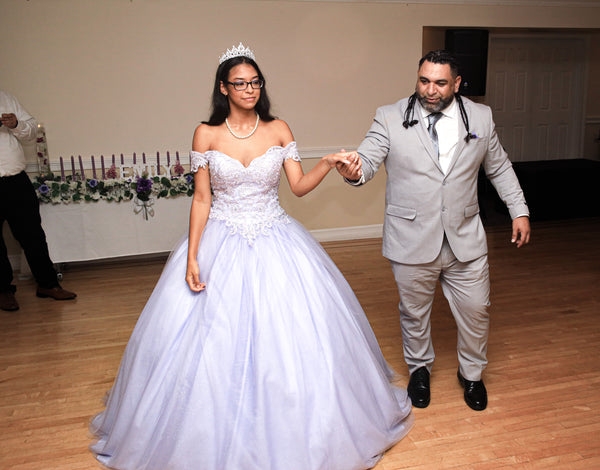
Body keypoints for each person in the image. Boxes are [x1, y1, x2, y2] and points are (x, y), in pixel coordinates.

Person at [89, 43, 413, 470]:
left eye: (255, 82)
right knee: (208, 340)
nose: (249, 89)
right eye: (240, 83)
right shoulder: (205, 134)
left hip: (275, 236)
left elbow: (298, 187)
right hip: (220, 237)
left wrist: (327, 163)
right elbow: (202, 198)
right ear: (223, 88)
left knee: (290, 335)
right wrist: (192, 256)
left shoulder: (278, 129)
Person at [337, 50, 530, 412]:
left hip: (465, 236)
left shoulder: (480, 117)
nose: (430, 90)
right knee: (414, 313)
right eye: (424, 80)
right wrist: (354, 170)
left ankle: (471, 374)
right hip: (411, 237)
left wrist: (518, 210)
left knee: (477, 310)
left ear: (456, 83)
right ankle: (419, 371)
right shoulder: (390, 117)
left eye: (440, 83)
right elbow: (367, 159)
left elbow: (499, 167)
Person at [0, 89, 76, 311]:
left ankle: (48, 284)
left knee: (33, 234)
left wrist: (16, 124)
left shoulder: (6, 98)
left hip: (16, 179)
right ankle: (3, 290)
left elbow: (31, 130)